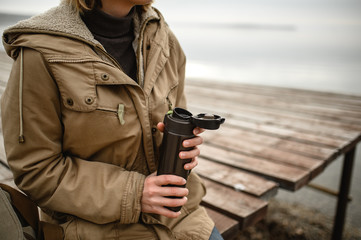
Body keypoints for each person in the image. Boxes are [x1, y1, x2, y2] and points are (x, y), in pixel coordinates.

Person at [1, 0, 224, 239]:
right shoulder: (40, 52)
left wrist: (182, 148)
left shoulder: (162, 37)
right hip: (93, 229)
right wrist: (135, 194)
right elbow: (36, 170)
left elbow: (175, 114)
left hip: (182, 221)